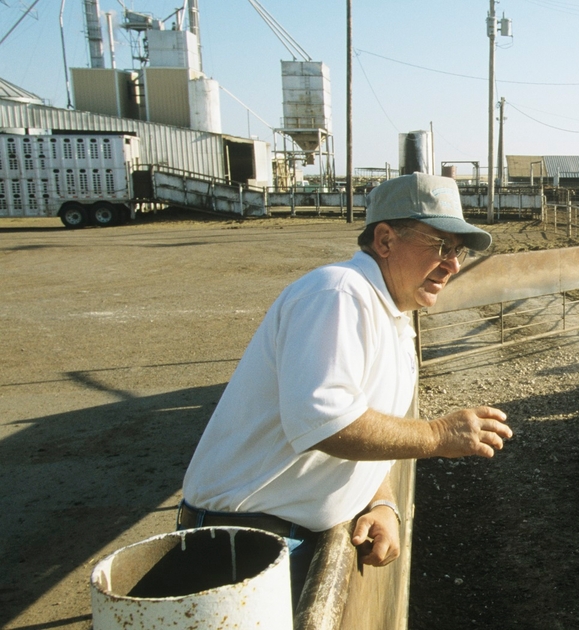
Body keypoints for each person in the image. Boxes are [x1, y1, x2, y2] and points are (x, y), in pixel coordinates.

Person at [178, 172, 512, 595]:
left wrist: (381, 500)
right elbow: (327, 421)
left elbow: (370, 425)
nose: (453, 264)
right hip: (242, 542)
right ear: (386, 240)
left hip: (282, 535)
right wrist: (435, 435)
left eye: (458, 251)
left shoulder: (389, 311)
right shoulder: (338, 293)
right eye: (441, 246)